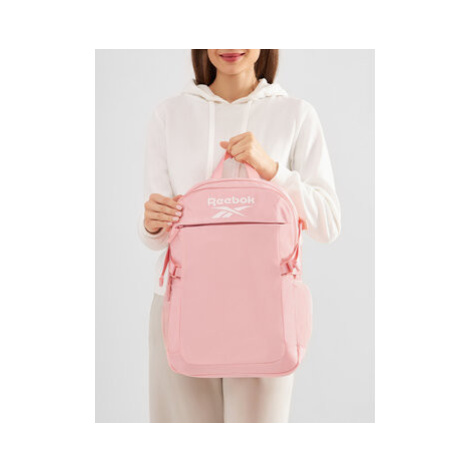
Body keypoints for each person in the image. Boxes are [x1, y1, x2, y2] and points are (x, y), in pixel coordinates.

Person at [138, 49, 341, 423]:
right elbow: (158, 236)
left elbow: (328, 222)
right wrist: (151, 223)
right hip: (182, 305)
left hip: (265, 307)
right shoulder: (169, 115)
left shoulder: (296, 114)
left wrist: (272, 170)